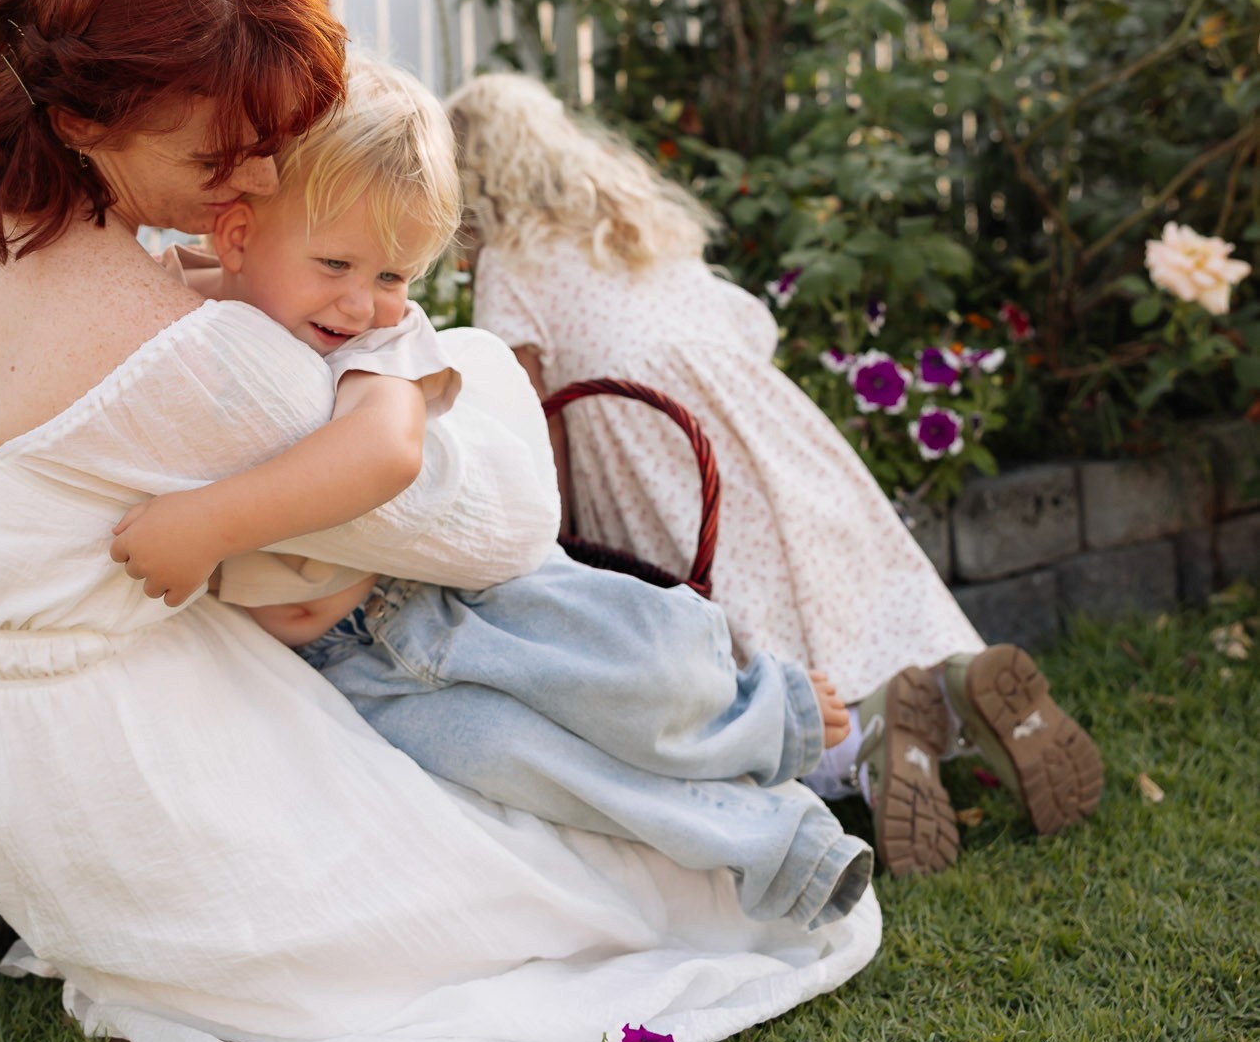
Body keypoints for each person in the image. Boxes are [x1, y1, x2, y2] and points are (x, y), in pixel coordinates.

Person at [0, 0, 879, 1042]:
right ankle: (776, 742)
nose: (261, 172)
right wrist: (470, 369)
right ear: (78, 113)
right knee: (584, 840)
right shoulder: (172, 352)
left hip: (55, 832)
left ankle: (764, 725)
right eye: (216, 152)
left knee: (535, 709)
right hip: (212, 839)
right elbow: (495, 525)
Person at [113, 56, 874, 932]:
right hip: (354, 670)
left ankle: (764, 709)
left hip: (444, 597)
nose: (363, 301)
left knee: (638, 664)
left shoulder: (376, 350)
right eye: (336, 263)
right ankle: (774, 844)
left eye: (395, 277)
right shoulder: (187, 310)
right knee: (520, 762)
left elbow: (384, 454)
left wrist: (202, 524)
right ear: (238, 237)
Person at [444, 72, 1104, 879]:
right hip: (759, 415)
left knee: (741, 615)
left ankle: (861, 738)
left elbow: (526, 403)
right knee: (843, 575)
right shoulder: (628, 224)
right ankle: (953, 678)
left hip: (657, 442)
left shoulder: (513, 259)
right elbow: (742, 326)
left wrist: (551, 527)